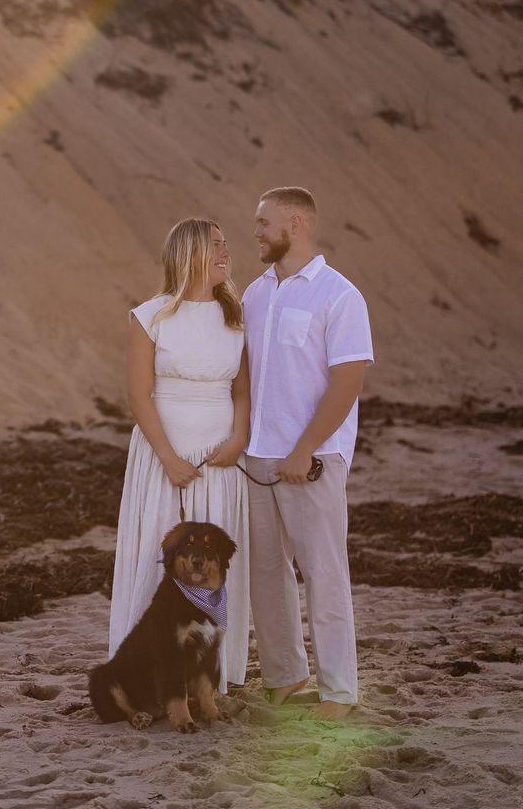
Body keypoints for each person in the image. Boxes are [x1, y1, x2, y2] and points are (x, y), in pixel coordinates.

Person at [241, 187, 373, 721]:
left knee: (324, 573)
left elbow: (347, 383)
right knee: (267, 574)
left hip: (312, 462)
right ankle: (285, 677)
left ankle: (339, 692)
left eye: (263, 222)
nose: (255, 232)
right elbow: (246, 379)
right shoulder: (253, 294)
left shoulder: (339, 296)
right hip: (256, 459)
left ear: (296, 224)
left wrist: (304, 449)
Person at [108, 218, 252, 693]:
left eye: (226, 244)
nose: (227, 252)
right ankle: (148, 679)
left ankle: (209, 680)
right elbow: (139, 396)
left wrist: (237, 441)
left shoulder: (237, 317)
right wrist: (168, 457)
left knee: (214, 566)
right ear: (190, 253)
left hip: (222, 461)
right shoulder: (149, 316)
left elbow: (242, 392)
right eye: (216, 245)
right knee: (160, 553)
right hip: (162, 458)